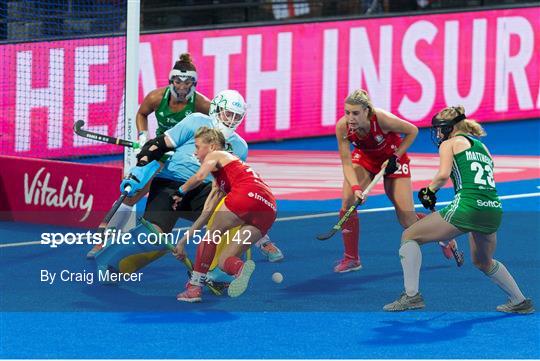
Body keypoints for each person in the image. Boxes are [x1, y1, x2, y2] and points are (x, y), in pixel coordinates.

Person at [383, 105, 534, 314]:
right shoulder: (482, 147)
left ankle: (411, 296)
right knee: (483, 261)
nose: (437, 134)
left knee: (409, 235)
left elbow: (443, 175)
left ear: (449, 128)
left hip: (468, 206)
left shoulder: (449, 144)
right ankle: (520, 301)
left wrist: (429, 190)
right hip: (492, 209)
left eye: (439, 129)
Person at [173, 127, 277, 302]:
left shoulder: (217, 155)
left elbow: (199, 176)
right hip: (268, 208)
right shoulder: (224, 179)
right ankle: (239, 269)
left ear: (212, 146)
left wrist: (180, 191)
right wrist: (183, 242)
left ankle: (194, 288)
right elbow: (206, 214)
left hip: (246, 195)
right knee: (224, 261)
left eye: (198, 147)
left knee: (212, 235)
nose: (195, 153)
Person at [333, 89, 420, 272]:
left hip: (393, 159)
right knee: (348, 201)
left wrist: (396, 156)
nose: (350, 118)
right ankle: (351, 259)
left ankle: (442, 233)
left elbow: (412, 131)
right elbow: (347, 163)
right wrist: (356, 188)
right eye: (347, 112)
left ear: (367, 111)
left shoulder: (382, 119)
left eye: (355, 113)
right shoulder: (343, 127)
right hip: (366, 159)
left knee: (407, 220)